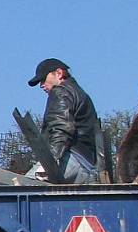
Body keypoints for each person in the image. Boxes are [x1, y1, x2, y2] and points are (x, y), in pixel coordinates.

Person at [27, 57, 100, 185]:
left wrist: (49, 163)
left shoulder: (61, 92)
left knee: (22, 189)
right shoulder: (80, 93)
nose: (41, 85)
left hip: (71, 160)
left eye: (43, 79)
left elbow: (61, 128)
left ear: (59, 73)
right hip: (88, 166)